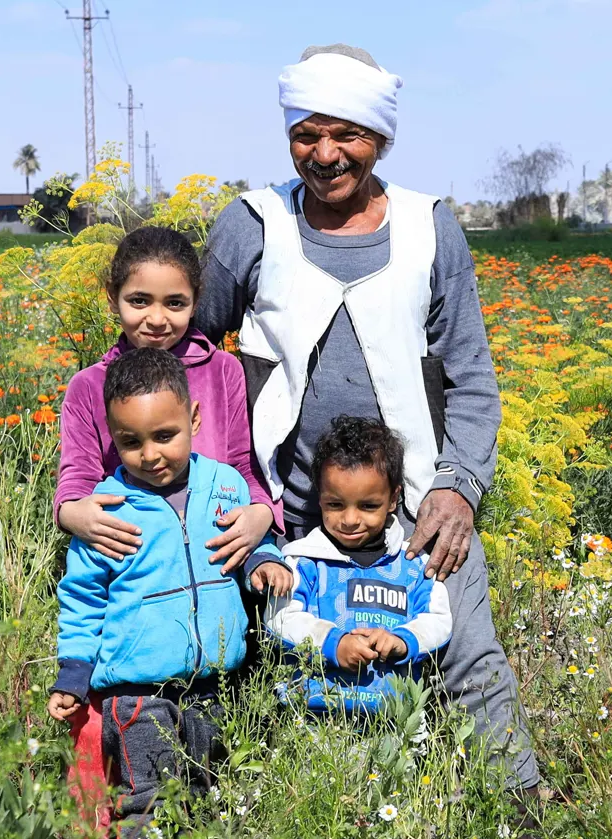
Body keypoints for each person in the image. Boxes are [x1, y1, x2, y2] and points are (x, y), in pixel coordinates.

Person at [195, 44, 539, 793]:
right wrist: (236, 499)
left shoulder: (429, 228)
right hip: (287, 520)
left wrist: (457, 490)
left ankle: (519, 813)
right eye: (306, 133)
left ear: (380, 137)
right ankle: (280, 807)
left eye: (345, 133)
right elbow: (190, 359)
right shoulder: (251, 226)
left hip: (416, 506)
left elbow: (474, 381)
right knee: (268, 668)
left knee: (470, 664)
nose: (324, 154)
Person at [53, 226, 278, 839]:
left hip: (215, 578)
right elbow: (74, 481)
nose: (156, 318)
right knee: (138, 781)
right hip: (135, 573)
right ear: (113, 299)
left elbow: (243, 466)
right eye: (139, 301)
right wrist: (73, 515)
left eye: (175, 304)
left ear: (197, 301)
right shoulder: (89, 386)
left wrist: (263, 517)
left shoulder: (223, 372)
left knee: (213, 775)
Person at [268, 416, 452, 713]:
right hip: (313, 721)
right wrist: (333, 644)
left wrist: (402, 642)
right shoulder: (304, 562)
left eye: (368, 506)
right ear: (320, 497)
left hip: (394, 728)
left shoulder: (414, 567)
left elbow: (438, 621)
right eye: (335, 504)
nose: (350, 520)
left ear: (394, 498)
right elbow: (280, 619)